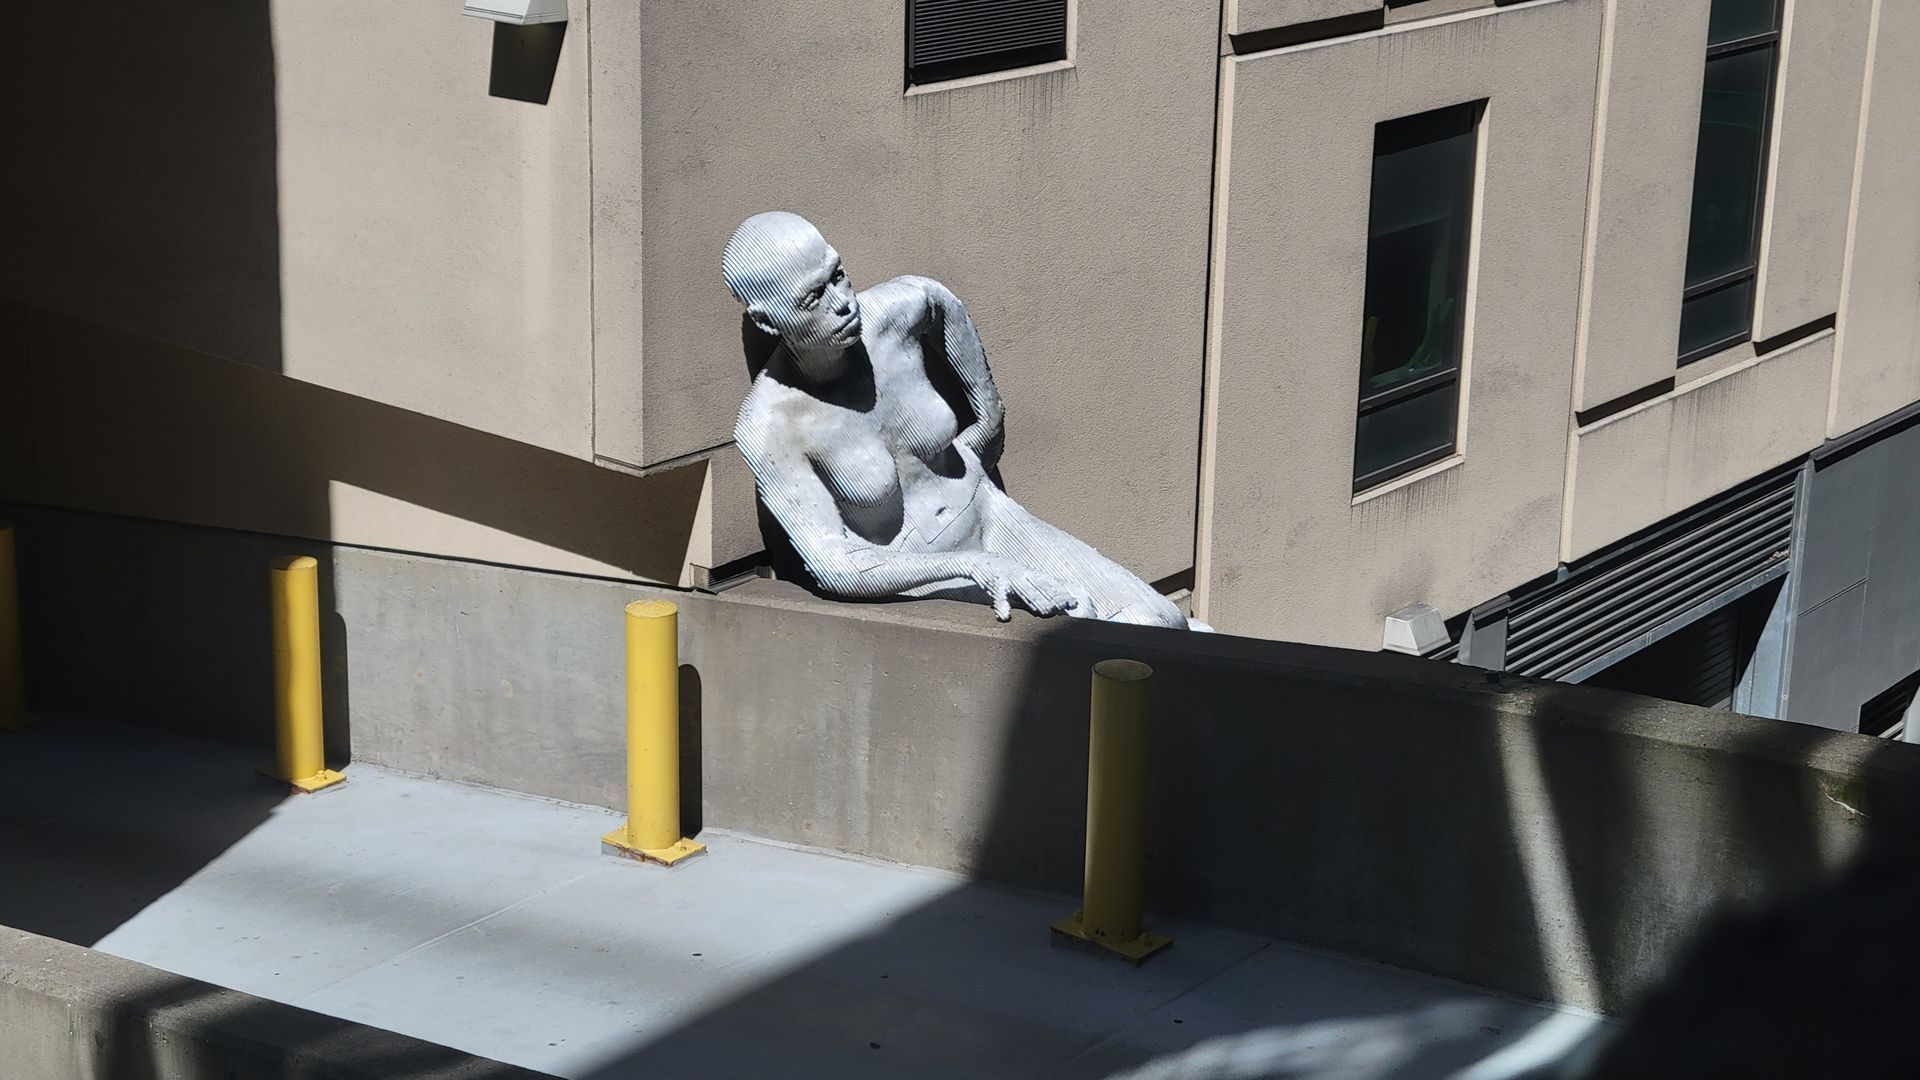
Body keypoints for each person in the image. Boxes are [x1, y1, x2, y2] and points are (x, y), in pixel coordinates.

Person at [724, 211, 1200, 629]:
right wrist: (975, 567)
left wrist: (987, 418)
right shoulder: (770, 424)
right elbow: (833, 564)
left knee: (1162, 621)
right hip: (924, 572)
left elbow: (935, 301)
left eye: (839, 275)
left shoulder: (892, 314)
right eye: (814, 298)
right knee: (1090, 638)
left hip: (989, 512)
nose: (843, 301)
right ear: (769, 321)